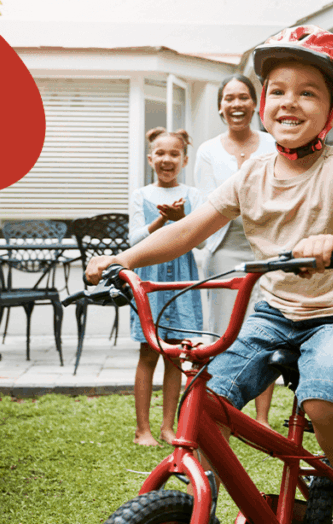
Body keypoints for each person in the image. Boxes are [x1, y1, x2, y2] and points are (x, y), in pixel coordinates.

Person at [88, 25, 333, 524]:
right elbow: (187, 230)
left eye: (307, 93)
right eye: (277, 91)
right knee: (209, 397)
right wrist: (125, 259)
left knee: (323, 396)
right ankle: (206, 495)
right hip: (273, 312)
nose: (288, 102)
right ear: (261, 104)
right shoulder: (251, 171)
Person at [194, 74, 277, 428]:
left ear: (255, 104)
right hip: (224, 249)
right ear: (220, 107)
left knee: (267, 328)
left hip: (267, 249)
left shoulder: (274, 144)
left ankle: (261, 418)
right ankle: (223, 410)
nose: (236, 104)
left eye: (243, 97)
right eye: (229, 98)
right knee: (224, 332)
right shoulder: (208, 151)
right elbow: (206, 203)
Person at [128, 127, 204, 446]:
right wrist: (161, 221)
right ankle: (142, 429)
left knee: (175, 356)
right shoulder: (141, 196)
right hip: (152, 283)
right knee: (149, 353)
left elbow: (201, 241)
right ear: (150, 159)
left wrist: (184, 217)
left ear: (184, 159)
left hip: (181, 284)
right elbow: (132, 241)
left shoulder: (194, 196)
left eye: (174, 153)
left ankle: (167, 427)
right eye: (160, 153)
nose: (166, 159)